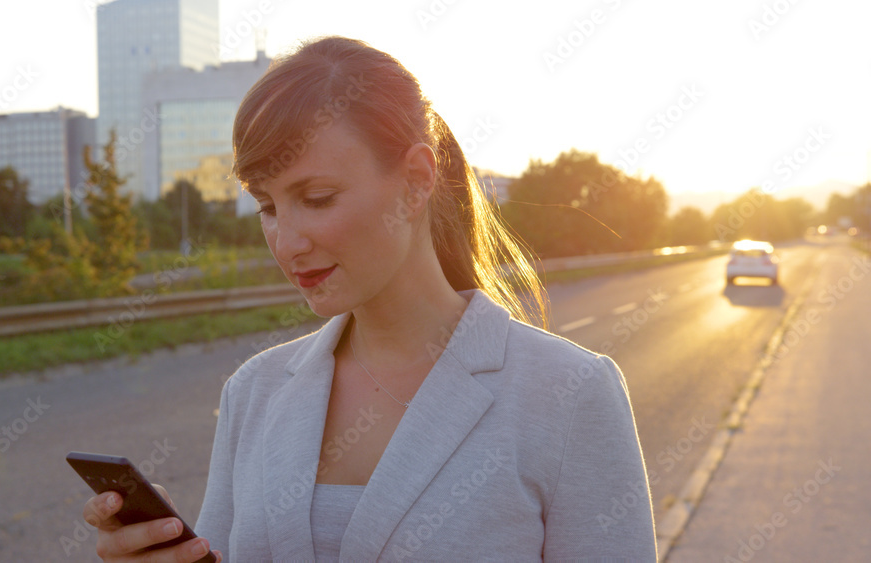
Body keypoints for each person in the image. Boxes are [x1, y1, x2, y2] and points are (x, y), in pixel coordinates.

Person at [83, 36, 657, 561]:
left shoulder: (571, 394)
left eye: (317, 197)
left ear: (415, 180)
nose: (286, 241)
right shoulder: (253, 393)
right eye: (268, 206)